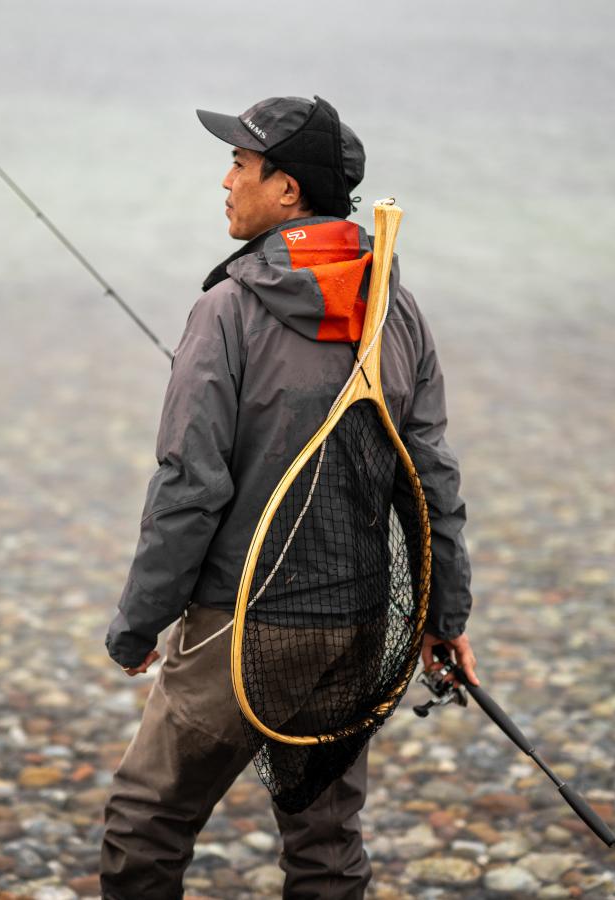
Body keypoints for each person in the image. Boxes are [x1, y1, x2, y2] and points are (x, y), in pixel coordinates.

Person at [101, 95, 478, 900]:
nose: (226, 178)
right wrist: (444, 619)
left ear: (288, 193)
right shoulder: (396, 309)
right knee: (326, 842)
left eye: (242, 162)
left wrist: (138, 621)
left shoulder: (227, 310)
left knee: (144, 823)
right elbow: (433, 479)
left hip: (244, 628)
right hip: (359, 628)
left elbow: (188, 489)